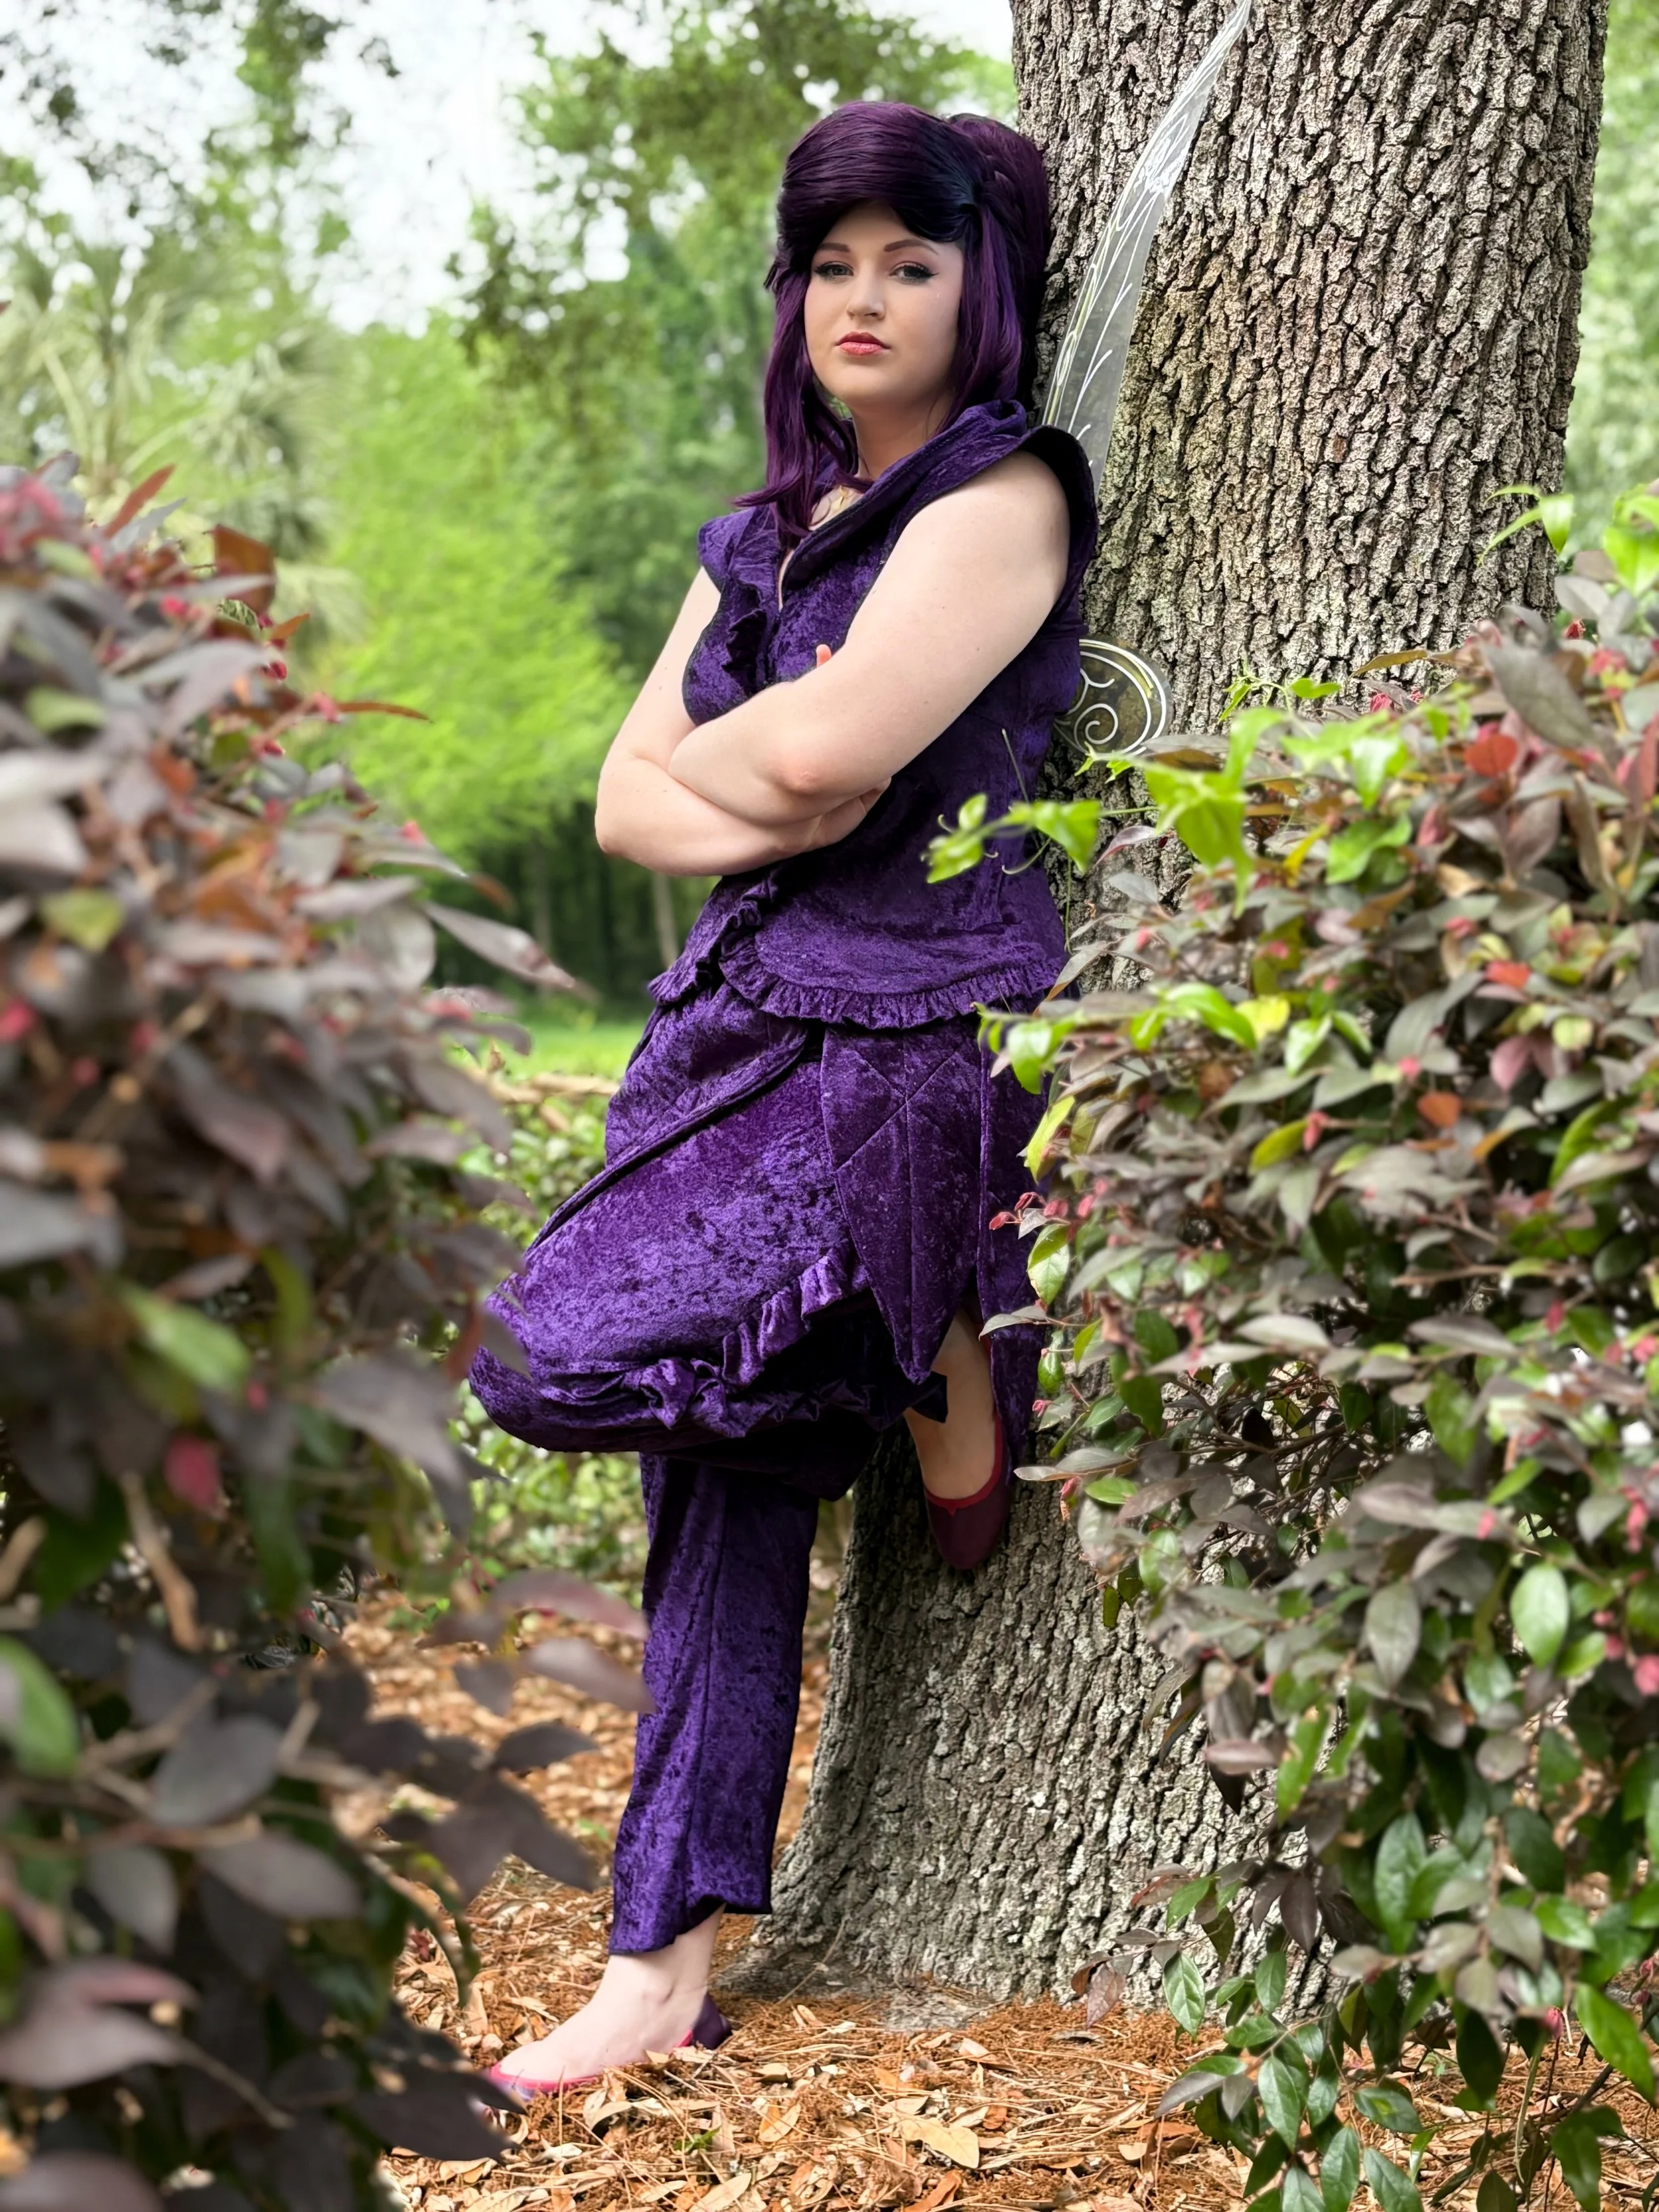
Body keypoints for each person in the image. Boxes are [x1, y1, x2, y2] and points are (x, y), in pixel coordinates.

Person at [469, 97, 1097, 2093]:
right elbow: (616, 800)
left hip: (913, 1050)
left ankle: (930, 1311)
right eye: (830, 261)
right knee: (705, 1460)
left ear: (978, 285)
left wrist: (751, 774)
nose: (862, 296)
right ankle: (660, 1960)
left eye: (909, 260)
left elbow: (816, 769)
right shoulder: (753, 535)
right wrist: (768, 775)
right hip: (736, 1030)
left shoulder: (1002, 501)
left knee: (554, 1345)